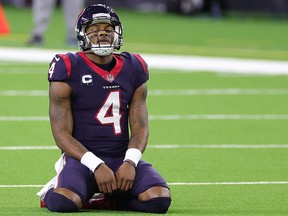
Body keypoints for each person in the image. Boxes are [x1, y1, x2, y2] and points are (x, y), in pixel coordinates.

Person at [37, 4, 171, 213]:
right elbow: (61, 135)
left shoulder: (134, 66)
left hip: (120, 157)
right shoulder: (68, 66)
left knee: (159, 200)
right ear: (83, 35)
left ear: (117, 33)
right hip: (82, 160)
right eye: (94, 30)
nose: (102, 35)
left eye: (108, 30)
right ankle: (53, 191)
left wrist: (130, 161)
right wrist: (96, 165)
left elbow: (140, 126)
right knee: (64, 203)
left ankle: (112, 201)